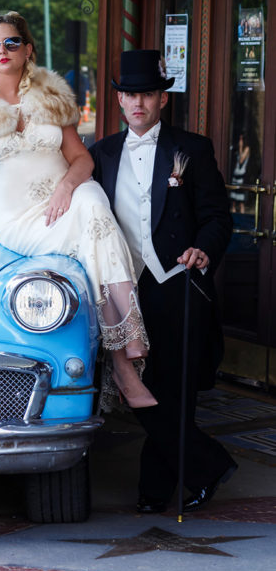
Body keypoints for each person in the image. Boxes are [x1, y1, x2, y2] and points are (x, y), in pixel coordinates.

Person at [0, 11, 156, 409]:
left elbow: (81, 160)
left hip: (69, 197)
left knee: (93, 203)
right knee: (92, 223)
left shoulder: (51, 94)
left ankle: (122, 352)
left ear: (27, 49)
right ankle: (124, 359)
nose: (1, 51)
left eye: (10, 43)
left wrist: (66, 188)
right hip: (19, 218)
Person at [90, 49, 236, 513]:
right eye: (130, 94)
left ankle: (155, 491)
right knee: (136, 389)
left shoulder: (191, 149)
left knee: (173, 389)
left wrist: (204, 249)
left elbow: (217, 217)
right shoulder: (101, 154)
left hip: (177, 282)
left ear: (162, 99)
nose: (139, 103)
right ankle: (207, 464)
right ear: (119, 100)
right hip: (123, 289)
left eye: (148, 94)